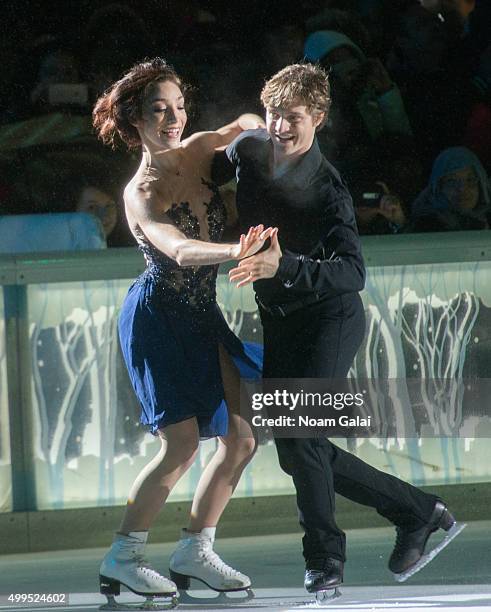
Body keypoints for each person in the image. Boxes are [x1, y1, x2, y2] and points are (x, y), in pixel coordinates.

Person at [212, 63, 464, 598]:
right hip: (281, 320)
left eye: (293, 117)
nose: (280, 126)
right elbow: (207, 166)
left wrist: (284, 267)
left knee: (299, 437)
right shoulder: (250, 153)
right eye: (274, 114)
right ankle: (418, 511)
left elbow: (353, 273)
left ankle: (325, 558)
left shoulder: (328, 189)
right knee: (295, 444)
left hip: (330, 317)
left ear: (319, 118)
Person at [92, 57, 273, 606]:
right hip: (157, 319)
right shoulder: (141, 190)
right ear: (135, 121)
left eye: (178, 106)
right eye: (158, 110)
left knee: (241, 438)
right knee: (182, 445)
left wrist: (266, 127)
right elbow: (179, 249)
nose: (173, 118)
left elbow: (238, 125)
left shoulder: (197, 148)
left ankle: (195, 550)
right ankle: (123, 558)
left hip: (202, 313)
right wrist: (239, 250)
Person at [410, 146, 490, 232]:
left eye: (470, 180)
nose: (462, 189)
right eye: (451, 181)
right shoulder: (425, 227)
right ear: (438, 187)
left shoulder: (488, 217)